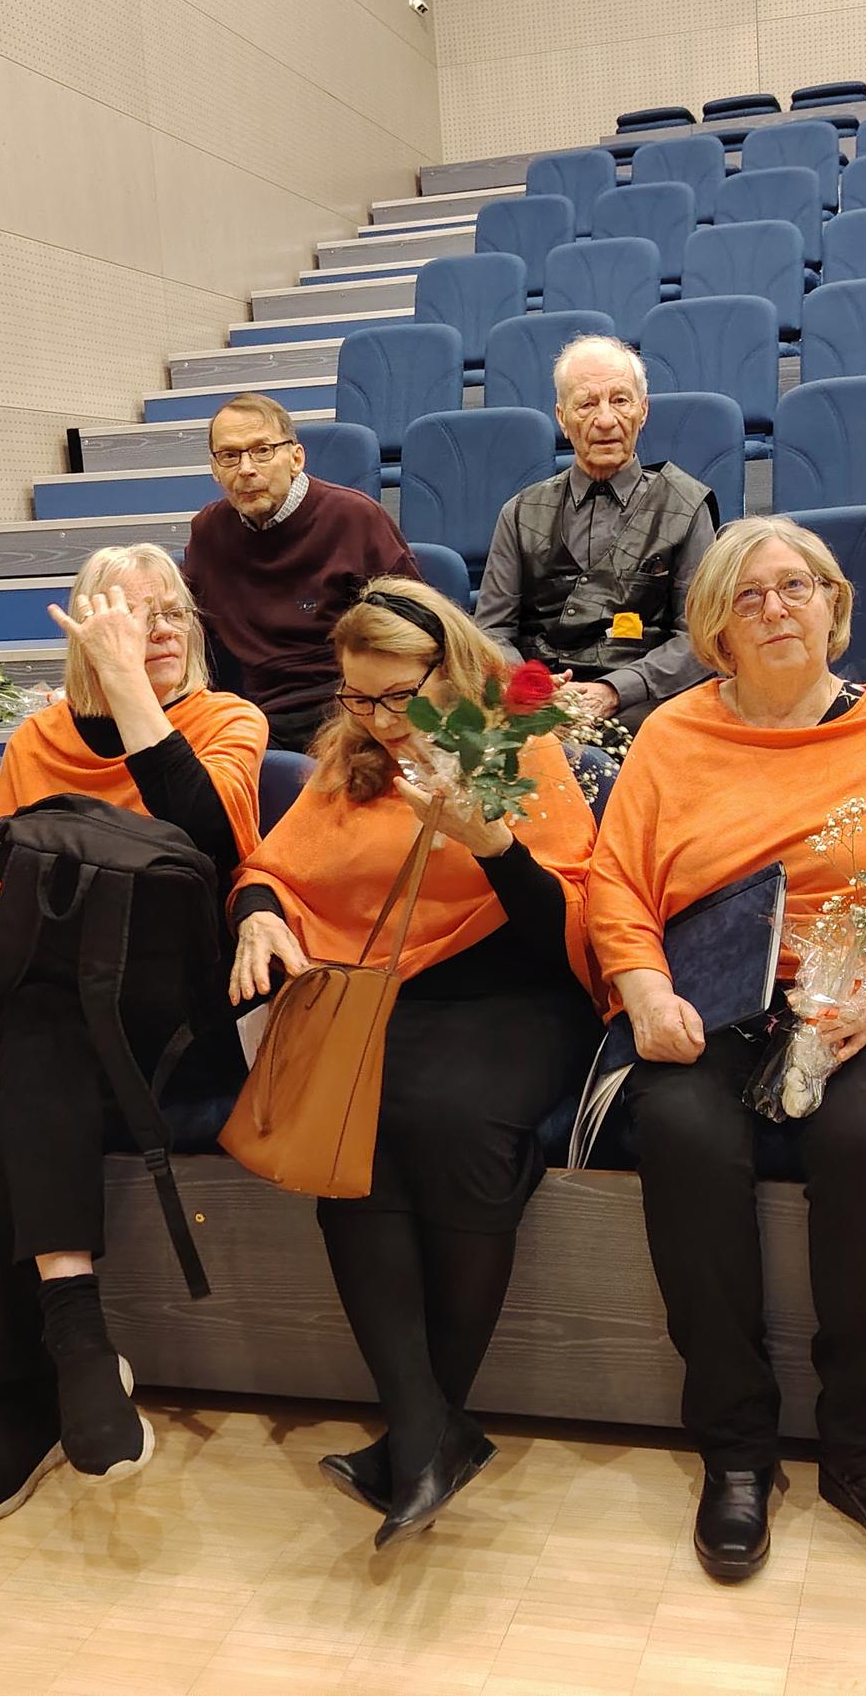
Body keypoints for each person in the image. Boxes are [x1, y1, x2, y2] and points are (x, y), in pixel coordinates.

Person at [587, 517, 866, 1588]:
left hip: (854, 1000)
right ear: (715, 625)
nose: (776, 609)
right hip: (708, 996)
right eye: (749, 595)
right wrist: (644, 988)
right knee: (682, 1136)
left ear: (833, 604)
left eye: (796, 587)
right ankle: (735, 1448)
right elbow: (615, 882)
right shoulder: (670, 733)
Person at [227, 578, 600, 1548]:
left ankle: (420, 1434)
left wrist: (494, 844)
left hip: (520, 994)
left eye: (398, 696)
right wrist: (257, 915)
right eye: (358, 696)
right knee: (354, 1139)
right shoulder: (351, 756)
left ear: (453, 669)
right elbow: (272, 868)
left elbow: (567, 928)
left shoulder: (517, 744)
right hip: (389, 995)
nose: (380, 719)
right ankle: (428, 1429)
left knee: (454, 1125)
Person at [0, 545, 267, 1536]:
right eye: (123, 616)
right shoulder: (38, 739)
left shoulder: (228, 720)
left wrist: (131, 692)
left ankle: (30, 1392)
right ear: (82, 631)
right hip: (60, 1007)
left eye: (168, 615)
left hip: (184, 1016)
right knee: (40, 1034)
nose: (151, 632)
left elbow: (218, 844)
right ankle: (74, 1353)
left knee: (38, 1054)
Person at [473, 334, 718, 727]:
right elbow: (491, 632)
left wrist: (616, 689)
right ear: (561, 417)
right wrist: (533, 689)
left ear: (643, 410)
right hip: (539, 707)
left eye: (620, 400)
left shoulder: (687, 505)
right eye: (587, 404)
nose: (605, 420)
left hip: (648, 706)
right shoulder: (519, 513)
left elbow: (699, 637)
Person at [183, 392, 418, 752]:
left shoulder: (354, 517)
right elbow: (188, 629)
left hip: (353, 708)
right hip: (260, 717)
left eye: (262, 451)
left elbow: (414, 628)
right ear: (215, 469)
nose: (246, 468)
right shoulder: (208, 532)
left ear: (296, 458)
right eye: (229, 456)